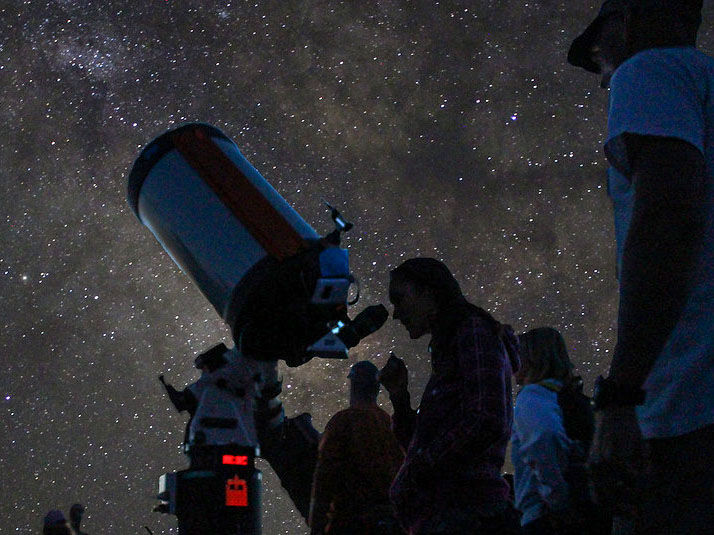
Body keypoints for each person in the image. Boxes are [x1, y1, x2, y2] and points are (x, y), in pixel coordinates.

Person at [568, 1, 714, 533]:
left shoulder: (649, 70)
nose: (602, 74)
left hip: (688, 413)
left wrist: (622, 394)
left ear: (628, 21)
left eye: (598, 52)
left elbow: (668, 219)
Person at [379, 257, 520, 535]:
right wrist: (399, 398)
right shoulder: (455, 344)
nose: (396, 314)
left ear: (429, 293)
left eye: (399, 298)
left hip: (465, 515)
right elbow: (424, 445)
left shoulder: (473, 331)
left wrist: (422, 469)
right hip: (449, 514)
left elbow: (487, 419)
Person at [511, 327, 609, 535]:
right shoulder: (575, 400)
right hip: (588, 510)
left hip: (546, 517)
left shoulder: (533, 395)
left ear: (531, 358)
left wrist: (557, 500)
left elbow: (544, 441)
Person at [309, 360, 405, 535]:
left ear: (353, 386)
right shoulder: (389, 423)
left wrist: (317, 526)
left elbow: (324, 477)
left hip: (350, 523)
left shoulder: (343, 422)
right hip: (389, 522)